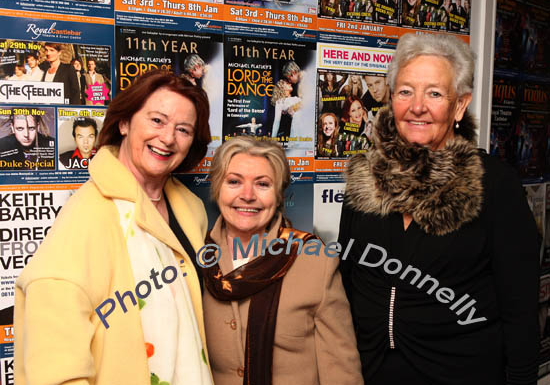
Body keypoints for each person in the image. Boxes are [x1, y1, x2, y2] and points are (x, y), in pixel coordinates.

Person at [338, 33, 540, 385]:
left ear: (460, 105)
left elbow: (520, 307)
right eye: (405, 91)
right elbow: (347, 280)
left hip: (460, 374)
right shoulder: (364, 175)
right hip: (369, 373)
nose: (417, 106)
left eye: (434, 93)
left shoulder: (493, 184)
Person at [14, 70, 214, 385]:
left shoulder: (191, 210)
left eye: (183, 129)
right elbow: (52, 359)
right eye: (157, 121)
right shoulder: (89, 212)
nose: (168, 138)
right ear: (124, 123)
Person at [203, 136, 363, 385]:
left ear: (278, 196)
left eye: (262, 184)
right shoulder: (196, 256)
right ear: (217, 188)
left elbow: (340, 368)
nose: (247, 195)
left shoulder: (314, 260)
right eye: (234, 181)